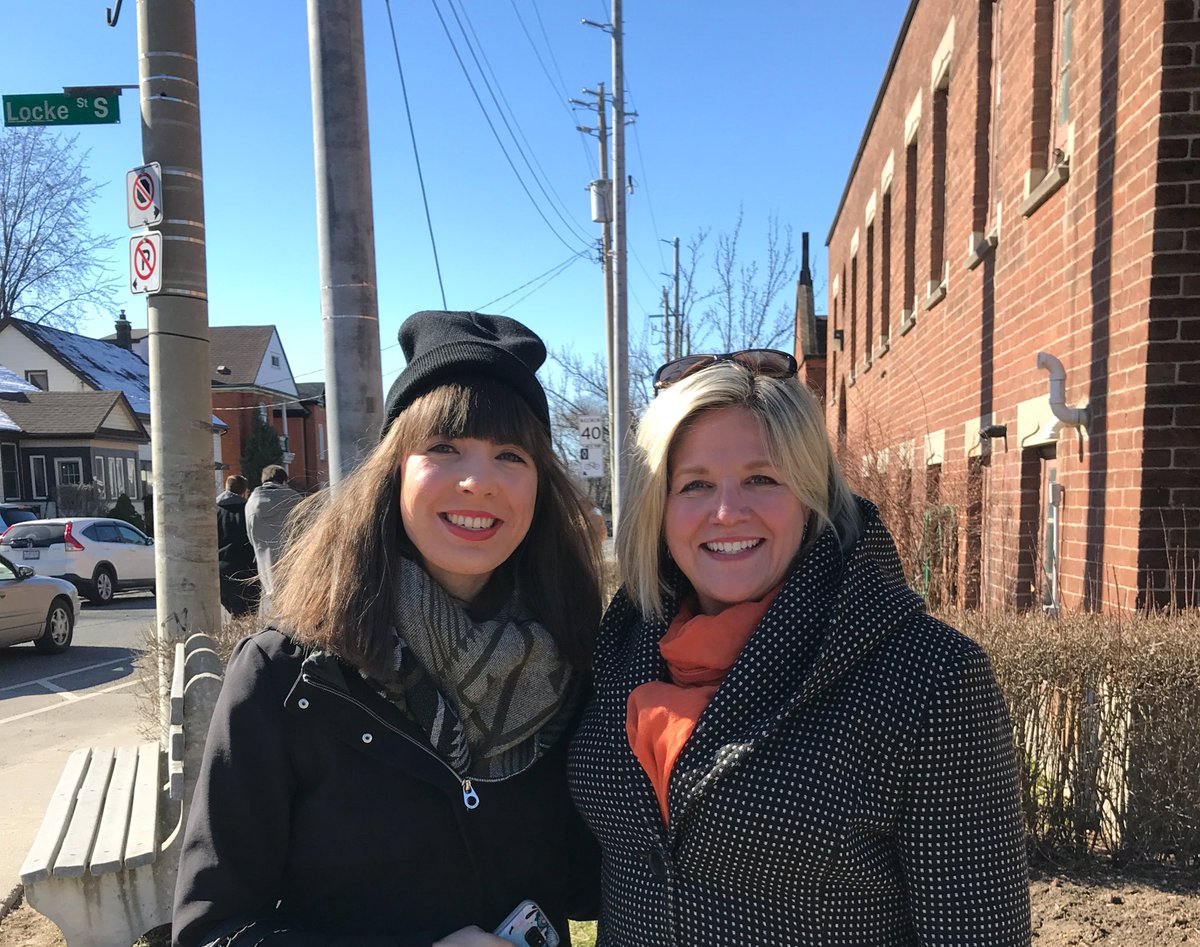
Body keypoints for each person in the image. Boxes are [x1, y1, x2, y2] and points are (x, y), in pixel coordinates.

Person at [567, 350, 1031, 945]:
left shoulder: (929, 677)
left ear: (811, 494)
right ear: (658, 508)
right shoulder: (625, 642)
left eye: (762, 479)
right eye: (695, 485)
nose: (727, 512)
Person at [174, 311, 603, 947]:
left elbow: (594, 884)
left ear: (540, 487)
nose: (477, 481)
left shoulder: (575, 665)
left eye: (510, 456)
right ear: (394, 470)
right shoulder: (289, 677)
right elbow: (212, 929)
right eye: (444, 449)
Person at [244, 463, 301, 611]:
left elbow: (251, 536)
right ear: (284, 481)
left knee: (273, 603)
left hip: (264, 561)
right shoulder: (294, 499)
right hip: (292, 561)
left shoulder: (251, 503)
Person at [215, 474, 258, 618]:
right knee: (248, 617)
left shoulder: (214, 511)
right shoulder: (248, 510)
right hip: (245, 571)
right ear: (245, 491)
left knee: (236, 613)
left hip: (220, 570)